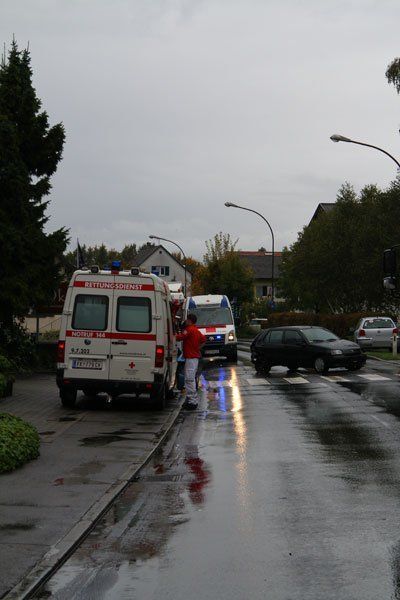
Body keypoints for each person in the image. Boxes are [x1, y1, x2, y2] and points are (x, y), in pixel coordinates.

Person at [176, 313, 206, 410]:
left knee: (189, 379)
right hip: (193, 358)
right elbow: (204, 340)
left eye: (186, 320)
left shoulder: (189, 329)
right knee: (190, 379)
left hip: (190, 358)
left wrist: (173, 334)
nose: (185, 321)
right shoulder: (196, 330)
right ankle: (191, 400)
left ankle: (193, 401)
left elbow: (179, 337)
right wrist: (197, 348)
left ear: (189, 320)